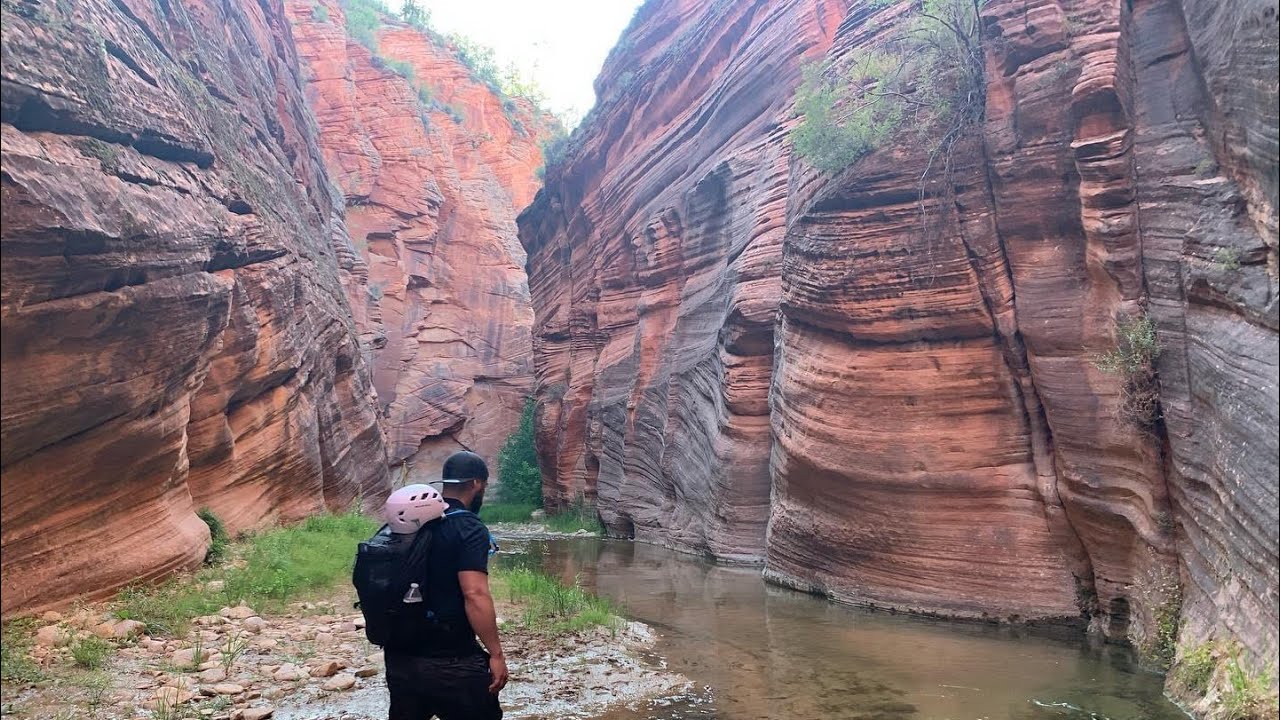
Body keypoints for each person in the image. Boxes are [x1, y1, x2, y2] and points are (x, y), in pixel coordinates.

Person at [385, 450, 509, 720]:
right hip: (452, 662)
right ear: (477, 484)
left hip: (401, 659)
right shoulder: (468, 526)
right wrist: (496, 654)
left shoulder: (409, 522)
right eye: (484, 487)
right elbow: (474, 593)